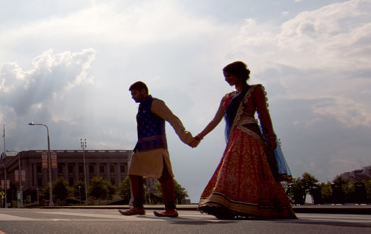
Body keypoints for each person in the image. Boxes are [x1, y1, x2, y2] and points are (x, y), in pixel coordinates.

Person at [192, 61, 296, 219]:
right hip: (234, 136)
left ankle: (235, 205)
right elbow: (216, 120)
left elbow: (263, 114)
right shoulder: (227, 98)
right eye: (225, 76)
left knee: (242, 170)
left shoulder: (254, 90)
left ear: (239, 74)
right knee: (234, 170)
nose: (226, 79)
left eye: (229, 75)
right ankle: (228, 205)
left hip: (249, 134)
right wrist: (199, 136)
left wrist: (271, 135)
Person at [121, 81, 194, 218]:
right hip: (141, 147)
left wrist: (186, 137)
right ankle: (137, 207)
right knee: (134, 173)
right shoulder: (142, 106)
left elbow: (172, 119)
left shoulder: (156, 103)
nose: (133, 97)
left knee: (164, 176)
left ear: (143, 91)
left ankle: (171, 209)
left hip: (156, 146)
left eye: (135, 93)